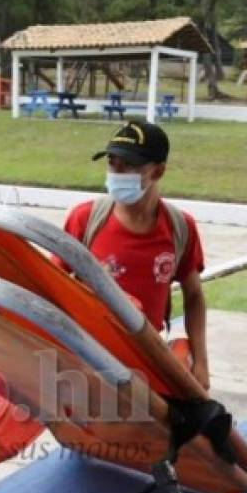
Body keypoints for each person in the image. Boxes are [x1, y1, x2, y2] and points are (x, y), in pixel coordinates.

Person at [55, 121, 210, 390]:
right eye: (112, 162)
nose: (117, 172)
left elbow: (193, 295)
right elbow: (51, 282)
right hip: (89, 361)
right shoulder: (85, 220)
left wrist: (201, 362)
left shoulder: (180, 227)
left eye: (129, 165)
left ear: (158, 171)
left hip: (148, 361)